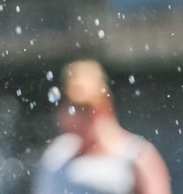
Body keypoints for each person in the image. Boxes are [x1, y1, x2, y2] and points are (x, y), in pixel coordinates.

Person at [33, 59, 170, 194]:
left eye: (84, 109)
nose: (73, 118)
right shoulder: (57, 155)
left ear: (104, 108)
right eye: (70, 108)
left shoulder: (137, 156)